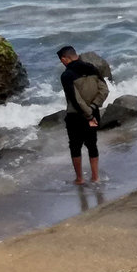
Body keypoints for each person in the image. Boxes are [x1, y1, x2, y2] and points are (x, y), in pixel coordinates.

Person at [57, 46, 108, 184]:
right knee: (92, 145)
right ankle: (95, 177)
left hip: (76, 116)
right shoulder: (92, 68)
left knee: (75, 146)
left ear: (64, 59)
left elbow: (75, 99)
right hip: (94, 112)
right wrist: (93, 108)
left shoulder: (66, 75)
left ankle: (80, 179)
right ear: (76, 55)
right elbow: (104, 90)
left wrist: (88, 114)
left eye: (62, 61)